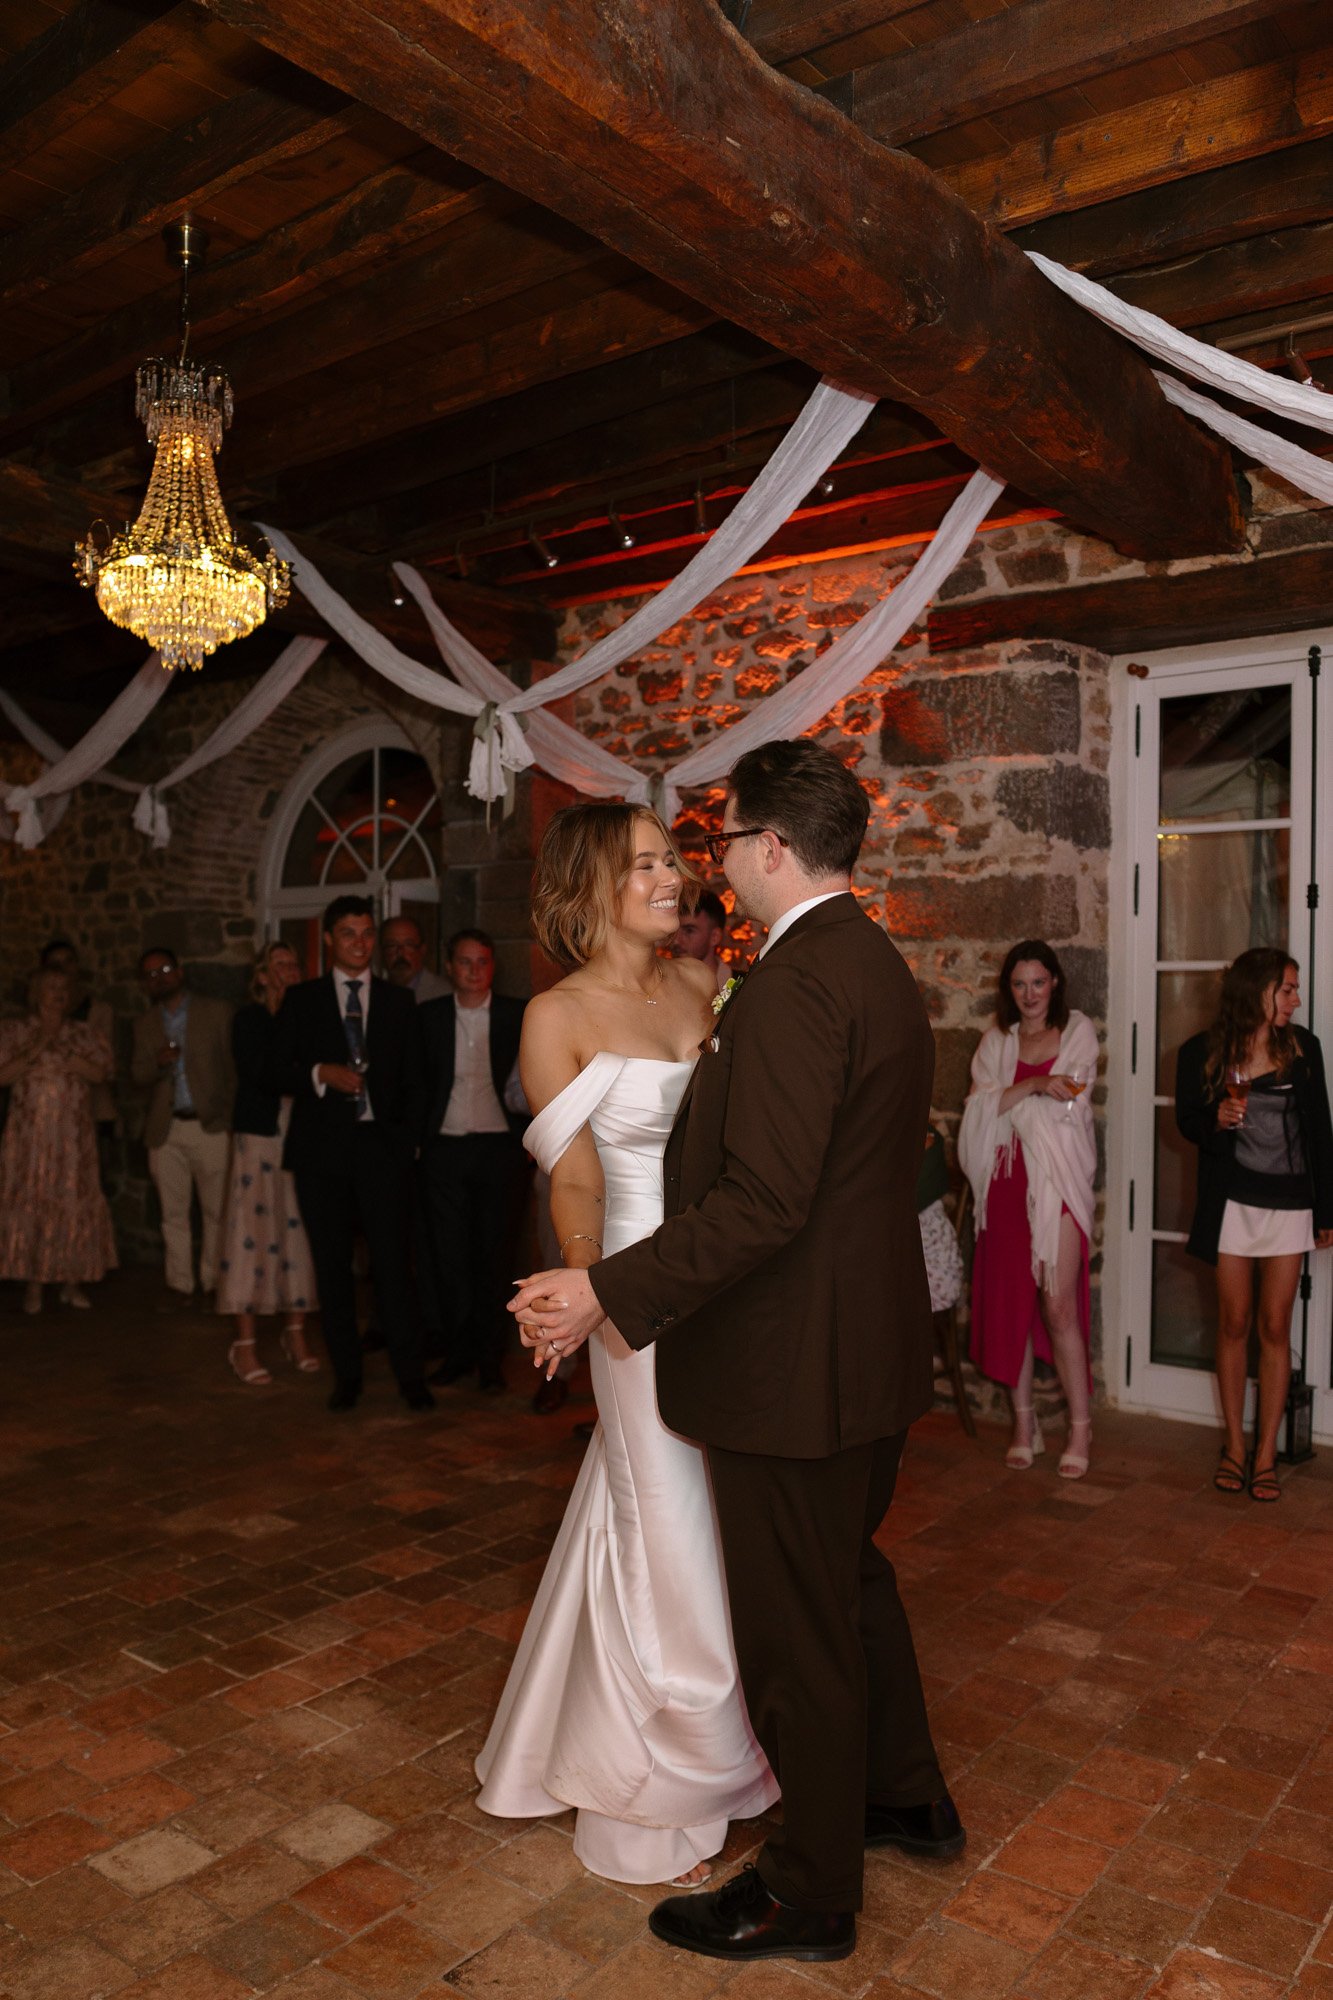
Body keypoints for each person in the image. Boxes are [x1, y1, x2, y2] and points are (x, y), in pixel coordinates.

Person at [509, 742, 960, 1967]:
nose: (708, 869)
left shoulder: (790, 984)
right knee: (850, 1580)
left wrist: (605, 1285)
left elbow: (763, 1201)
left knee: (796, 1622)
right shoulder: (870, 962)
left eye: (716, 845)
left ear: (768, 846)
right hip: (862, 1349)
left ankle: (809, 1888)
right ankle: (903, 1793)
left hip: (789, 1360)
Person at [475, 802, 776, 1885]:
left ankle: (669, 1744)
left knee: (698, 1511)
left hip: (722, 1285)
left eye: (671, 859)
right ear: (591, 887)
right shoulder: (554, 1016)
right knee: (668, 1520)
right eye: (644, 862)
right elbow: (576, 1172)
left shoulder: (701, 987)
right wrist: (586, 1285)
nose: (672, 876)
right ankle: (665, 1794)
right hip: (632, 1302)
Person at [1175, 948, 1333, 1503]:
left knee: (1274, 1326)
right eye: (1286, 989)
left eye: (1294, 989)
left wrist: (1327, 1212)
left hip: (1290, 1204)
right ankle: (1234, 1449)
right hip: (1232, 1204)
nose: (1294, 998)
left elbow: (1321, 1134)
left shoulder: (1303, 1048)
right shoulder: (1203, 1051)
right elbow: (1187, 1121)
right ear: (1256, 992)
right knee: (1234, 1321)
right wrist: (1215, 1118)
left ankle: (1265, 1456)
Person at [269, 895, 433, 1413]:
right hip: (321, 1154)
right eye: (349, 934)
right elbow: (271, 1069)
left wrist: (405, 1141)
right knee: (332, 1267)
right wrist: (319, 1074)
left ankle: (411, 1377)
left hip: (381, 1151)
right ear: (329, 940)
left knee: (391, 1267)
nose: (360, 944)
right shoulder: (303, 999)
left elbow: (417, 1081)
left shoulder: (397, 1001)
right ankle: (348, 1377)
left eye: (367, 934)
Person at [958, 941, 1097, 1480]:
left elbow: (1072, 1107)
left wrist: (1012, 1098)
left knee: (1058, 1306)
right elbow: (978, 1110)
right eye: (1019, 984)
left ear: (1055, 983)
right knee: (1014, 1302)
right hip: (1006, 1184)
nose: (1030, 994)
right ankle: (1025, 1425)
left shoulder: (1078, 1030)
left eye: (1039, 982)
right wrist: (1037, 1085)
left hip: (1056, 1186)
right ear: (1008, 989)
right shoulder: (997, 1041)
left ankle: (1081, 1427)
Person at [419, 930, 529, 1391]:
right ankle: (457, 1351)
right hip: (443, 1150)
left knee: (495, 1257)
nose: (473, 970)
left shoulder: (516, 1014)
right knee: (449, 1257)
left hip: (499, 1149)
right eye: (465, 962)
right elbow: (414, 1083)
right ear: (450, 966)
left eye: (482, 961)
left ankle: (490, 1359)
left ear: (493, 966)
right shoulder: (428, 1018)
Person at [216, 942, 319, 1385]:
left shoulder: (310, 1016)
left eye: (294, 964)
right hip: (258, 1136)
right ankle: (244, 1345)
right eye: (279, 965)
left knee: (297, 1231)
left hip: (300, 1133)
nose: (288, 971)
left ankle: (295, 1334)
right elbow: (259, 1072)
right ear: (261, 976)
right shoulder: (250, 1019)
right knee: (251, 1235)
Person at [0, 967, 116, 1313]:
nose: (59, 993)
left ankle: (72, 1281)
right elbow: (3, 1076)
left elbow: (100, 1073)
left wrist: (68, 1054)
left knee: (72, 1199)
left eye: (64, 987)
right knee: (34, 1198)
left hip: (72, 1137)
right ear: (36, 992)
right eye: (51, 987)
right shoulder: (15, 1030)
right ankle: (34, 1285)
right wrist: (35, 1048)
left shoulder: (83, 1033)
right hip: (29, 1137)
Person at [130, 948, 235, 1307]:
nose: (159, 977)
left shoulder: (216, 1012)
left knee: (216, 1211)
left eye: (164, 969)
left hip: (210, 1125)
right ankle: (179, 1284)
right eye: (150, 974)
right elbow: (137, 1075)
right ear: (145, 983)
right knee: (172, 1213)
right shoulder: (144, 1024)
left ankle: (211, 1281)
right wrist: (158, 1064)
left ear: (180, 970)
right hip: (166, 1129)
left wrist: (231, 1121)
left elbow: (233, 1070)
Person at [38, 939, 117, 1150]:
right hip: (47, 1112)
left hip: (91, 1108)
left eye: (68, 961)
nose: (63, 967)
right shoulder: (36, 1017)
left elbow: (104, 1063)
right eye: (56, 963)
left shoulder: (99, 1012)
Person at [380, 915, 452, 1002]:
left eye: (408, 945)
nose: (400, 952)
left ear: (422, 950)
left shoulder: (445, 995)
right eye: (392, 945)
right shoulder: (374, 995)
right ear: (381, 952)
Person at [671, 886, 730, 992]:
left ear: (714, 937)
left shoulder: (743, 989)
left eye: (689, 931)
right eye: (673, 931)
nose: (676, 940)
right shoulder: (660, 985)